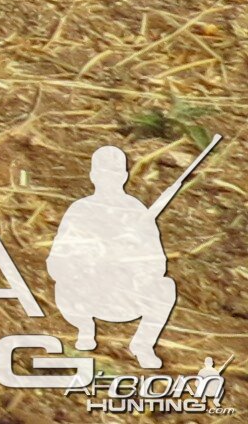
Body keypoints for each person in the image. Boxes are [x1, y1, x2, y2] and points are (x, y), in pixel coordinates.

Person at [46, 145, 179, 369]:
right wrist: (90, 258)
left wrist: (132, 259)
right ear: (93, 175)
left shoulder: (137, 212)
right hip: (87, 294)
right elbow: (57, 260)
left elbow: (157, 264)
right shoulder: (80, 209)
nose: (109, 179)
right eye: (103, 173)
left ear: (124, 176)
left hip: (123, 294)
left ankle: (143, 344)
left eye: (115, 173)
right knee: (64, 285)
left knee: (165, 287)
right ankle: (85, 329)